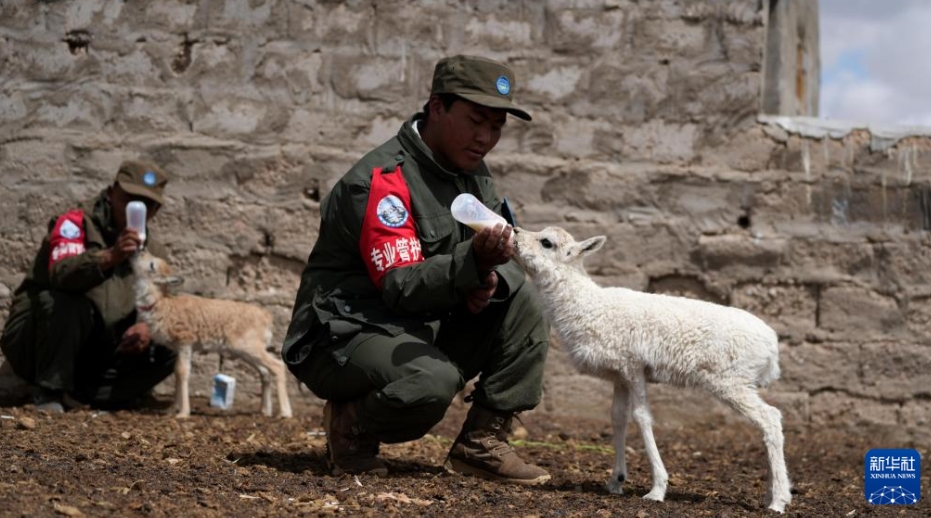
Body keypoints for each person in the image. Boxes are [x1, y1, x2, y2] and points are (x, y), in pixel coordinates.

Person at [282, 55, 551, 484]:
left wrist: (485, 280)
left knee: (522, 295)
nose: (485, 138)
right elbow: (401, 285)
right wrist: (471, 265)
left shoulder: (470, 171)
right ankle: (350, 426)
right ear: (437, 107)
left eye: (497, 127)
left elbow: (472, 259)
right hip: (345, 332)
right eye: (475, 120)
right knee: (429, 384)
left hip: (416, 321)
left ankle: (481, 442)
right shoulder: (382, 181)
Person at [0, 160, 178, 413]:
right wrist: (109, 257)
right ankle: (50, 390)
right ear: (112, 191)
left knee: (170, 340)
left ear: (156, 210)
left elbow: (162, 302)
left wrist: (147, 327)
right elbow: (61, 275)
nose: (134, 208)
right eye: (129, 198)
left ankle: (91, 396)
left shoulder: (153, 251)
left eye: (146, 204)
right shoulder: (75, 224)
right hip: (39, 340)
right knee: (63, 301)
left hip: (99, 349)